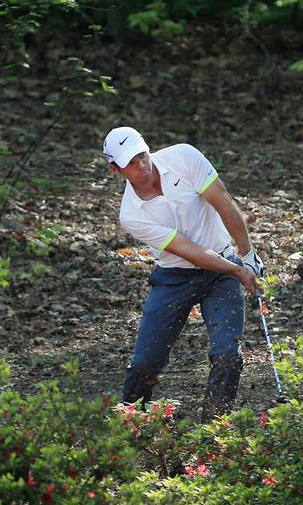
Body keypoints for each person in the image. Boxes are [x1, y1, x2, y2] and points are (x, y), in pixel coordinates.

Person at [103, 126, 265, 420]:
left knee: (228, 355)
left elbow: (223, 202)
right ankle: (130, 429)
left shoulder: (184, 157)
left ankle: (214, 431)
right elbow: (186, 249)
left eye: (142, 155)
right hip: (174, 278)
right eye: (131, 163)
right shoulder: (131, 214)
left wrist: (247, 254)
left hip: (222, 270)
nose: (142, 165)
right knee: (144, 364)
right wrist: (238, 271)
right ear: (115, 169)